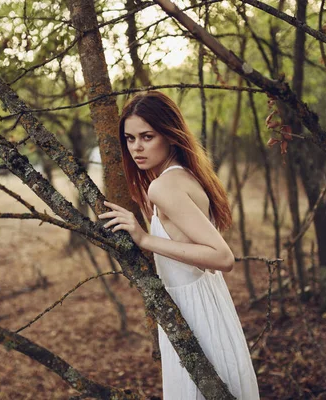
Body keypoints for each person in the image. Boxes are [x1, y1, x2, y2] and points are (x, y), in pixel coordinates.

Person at [98, 91, 259, 399]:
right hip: (206, 305)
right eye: (130, 139)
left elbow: (222, 257)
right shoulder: (181, 176)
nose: (137, 148)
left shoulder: (164, 186)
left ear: (170, 135)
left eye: (147, 136)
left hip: (196, 315)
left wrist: (146, 239)